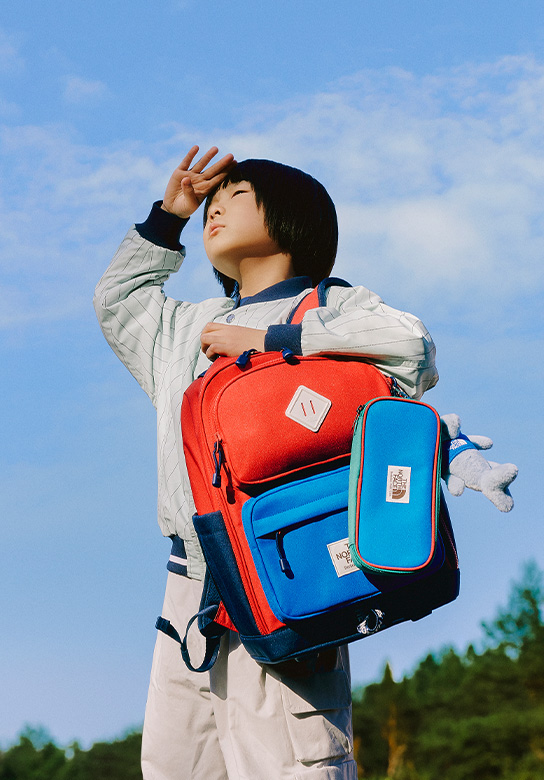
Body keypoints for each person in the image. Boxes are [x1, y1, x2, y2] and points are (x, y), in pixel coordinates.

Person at [94, 145, 439, 780]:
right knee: (175, 766)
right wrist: (167, 216)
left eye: (235, 198)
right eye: (208, 209)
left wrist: (274, 341)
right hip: (191, 580)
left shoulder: (330, 307)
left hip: (288, 566)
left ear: (291, 218)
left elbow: (411, 349)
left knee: (288, 762)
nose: (213, 211)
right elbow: (118, 299)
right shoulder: (188, 328)